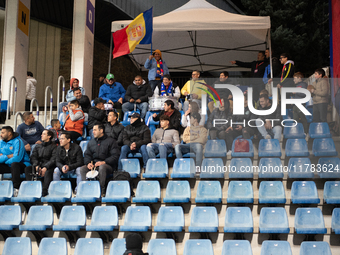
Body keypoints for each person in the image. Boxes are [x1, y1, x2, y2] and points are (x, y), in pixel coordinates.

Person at [80, 124, 120, 195]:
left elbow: (115, 156)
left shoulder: (111, 141)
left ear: (101, 131)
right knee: (83, 169)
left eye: (95, 130)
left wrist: (104, 162)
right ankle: (86, 190)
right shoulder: (91, 142)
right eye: (93, 130)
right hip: (94, 166)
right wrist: (88, 163)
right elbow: (87, 155)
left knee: (102, 167)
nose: (93, 132)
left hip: (108, 166)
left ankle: (101, 191)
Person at [25, 129, 57, 196]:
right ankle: (31, 188)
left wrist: (45, 167)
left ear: (49, 136)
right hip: (39, 165)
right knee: (28, 169)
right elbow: (33, 157)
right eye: (42, 134)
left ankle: (45, 190)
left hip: (49, 166)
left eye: (44, 134)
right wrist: (36, 166)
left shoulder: (54, 147)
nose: (41, 135)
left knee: (48, 171)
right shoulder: (37, 146)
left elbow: (53, 159)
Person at [0, 126, 30, 196]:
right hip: (8, 165)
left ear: (9, 133)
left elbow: (17, 158)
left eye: (3, 133)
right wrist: (8, 156)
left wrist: (3, 158)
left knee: (14, 164)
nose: (1, 134)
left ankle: (16, 188)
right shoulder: (1, 142)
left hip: (22, 165)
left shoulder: (18, 142)